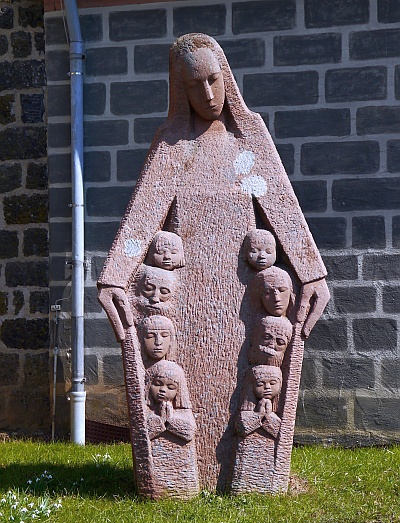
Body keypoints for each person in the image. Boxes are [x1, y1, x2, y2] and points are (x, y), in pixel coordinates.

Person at [97, 33, 329, 489]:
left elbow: (281, 208)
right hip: (185, 296)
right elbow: (143, 215)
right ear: (180, 90)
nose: (207, 93)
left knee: (246, 383)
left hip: (243, 295)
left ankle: (248, 478)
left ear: (227, 79)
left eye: (213, 80)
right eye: (194, 85)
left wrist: (312, 273)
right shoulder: (172, 145)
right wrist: (114, 278)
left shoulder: (249, 137)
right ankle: (180, 479)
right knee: (184, 383)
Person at [145, 360, 199, 498]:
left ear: (178, 390)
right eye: (157, 384)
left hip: (181, 464)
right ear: (149, 384)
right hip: (156, 462)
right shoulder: (147, 410)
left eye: (170, 387)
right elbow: (143, 434)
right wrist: (160, 420)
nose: (163, 390)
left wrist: (170, 420)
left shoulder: (182, 411)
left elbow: (189, 432)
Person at [232, 365, 282, 494]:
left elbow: (278, 432)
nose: (267, 387)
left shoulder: (275, 414)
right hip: (247, 453)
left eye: (272, 383)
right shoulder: (245, 412)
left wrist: (268, 415)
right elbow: (242, 428)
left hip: (267, 454)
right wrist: (259, 415)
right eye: (260, 384)